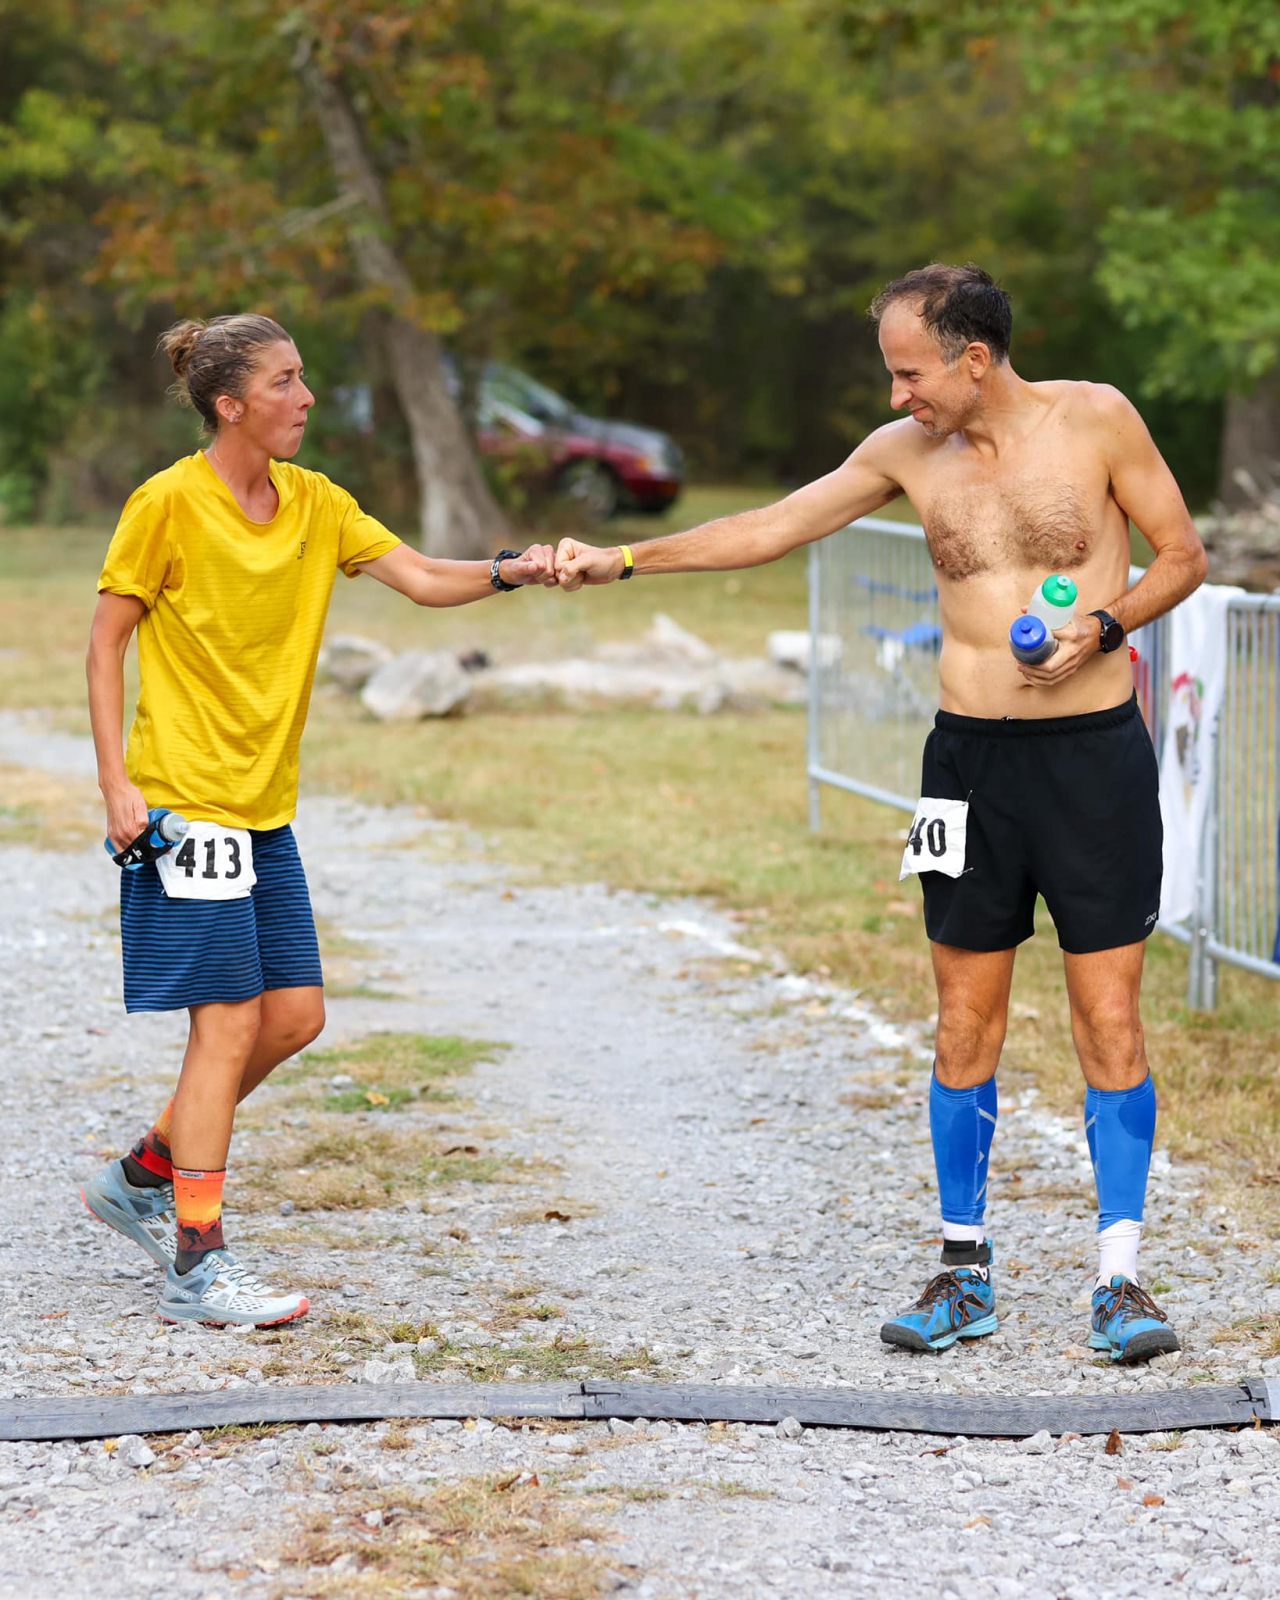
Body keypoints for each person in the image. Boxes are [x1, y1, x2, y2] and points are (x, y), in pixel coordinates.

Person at [554, 263, 1208, 1364]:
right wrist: (620, 557)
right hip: (964, 765)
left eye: (909, 373)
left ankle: (1119, 1280)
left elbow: (1182, 555)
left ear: (972, 356)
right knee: (961, 1020)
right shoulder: (903, 452)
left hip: (1091, 759)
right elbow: (769, 526)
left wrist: (1102, 623)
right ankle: (962, 1271)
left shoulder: (1094, 418)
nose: (898, 394)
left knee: (1108, 1020)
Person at [82, 313, 556, 1328]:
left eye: (303, 378)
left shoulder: (313, 502)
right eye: (287, 382)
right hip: (183, 803)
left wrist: (515, 567)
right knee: (227, 1026)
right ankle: (195, 1264)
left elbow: (425, 579)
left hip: (262, 811)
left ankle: (140, 1176)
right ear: (230, 405)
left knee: (295, 1016)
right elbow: (105, 639)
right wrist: (118, 785)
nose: (305, 398)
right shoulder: (167, 503)